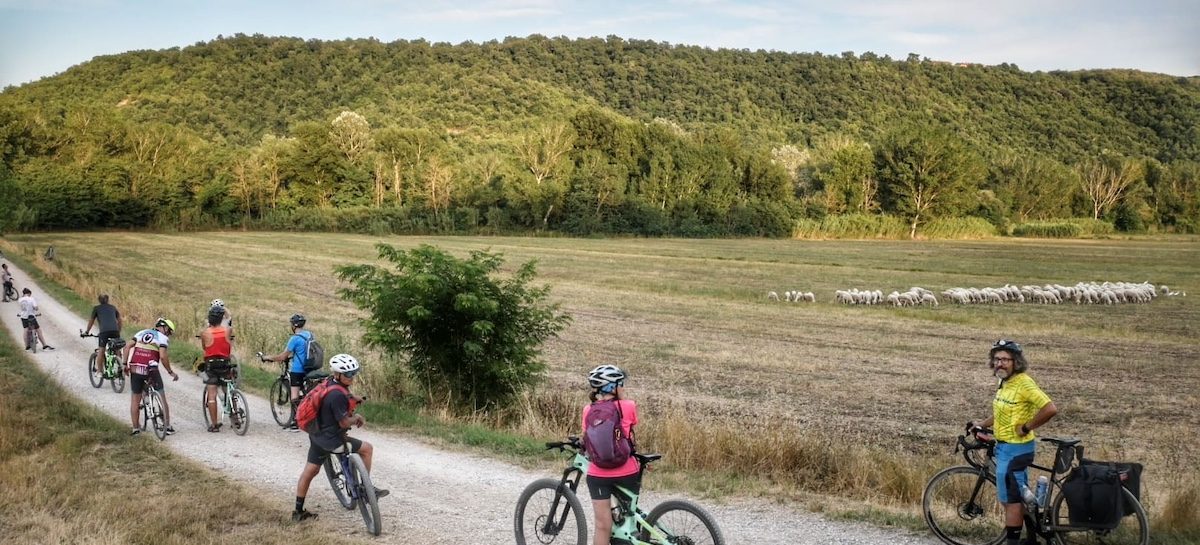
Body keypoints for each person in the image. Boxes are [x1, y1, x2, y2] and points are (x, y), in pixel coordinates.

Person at [969, 340, 1059, 545]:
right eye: (996, 359)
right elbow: (1002, 412)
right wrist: (982, 424)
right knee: (1017, 496)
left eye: (1005, 359)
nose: (999, 363)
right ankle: (1033, 538)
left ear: (1016, 362)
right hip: (1004, 448)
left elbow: (1050, 408)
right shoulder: (1004, 383)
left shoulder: (1024, 383)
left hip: (1016, 450)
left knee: (1011, 501)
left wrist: (1026, 427)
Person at [292, 354, 387, 522]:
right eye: (348, 374)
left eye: (354, 373)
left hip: (317, 436)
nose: (352, 377)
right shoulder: (337, 396)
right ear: (337, 374)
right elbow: (344, 422)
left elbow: (340, 395)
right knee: (367, 449)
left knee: (310, 471)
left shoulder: (328, 383)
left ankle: (298, 512)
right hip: (333, 440)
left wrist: (353, 398)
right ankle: (366, 488)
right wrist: (356, 418)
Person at [582, 364, 639, 545]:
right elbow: (629, 433)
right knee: (629, 519)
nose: (623, 387)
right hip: (628, 471)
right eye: (621, 384)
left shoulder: (588, 410)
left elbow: (587, 439)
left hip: (599, 475)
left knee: (602, 525)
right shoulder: (629, 406)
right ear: (613, 387)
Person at [123, 318, 180, 436]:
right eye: (169, 331)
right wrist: (170, 372)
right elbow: (163, 356)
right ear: (164, 328)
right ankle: (167, 427)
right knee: (162, 397)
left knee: (135, 400)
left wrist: (124, 364)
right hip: (150, 370)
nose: (169, 335)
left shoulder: (141, 332)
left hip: (135, 368)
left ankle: (135, 429)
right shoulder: (162, 338)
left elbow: (127, 346)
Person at [263, 313, 313, 430]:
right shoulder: (309, 335)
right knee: (306, 393)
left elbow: (282, 357)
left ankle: (296, 422)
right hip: (310, 367)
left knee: (294, 397)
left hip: (298, 370)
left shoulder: (294, 339)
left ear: (293, 326)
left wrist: (268, 357)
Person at [199, 305, 235, 432]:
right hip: (225, 363)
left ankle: (214, 425)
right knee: (228, 391)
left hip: (211, 365)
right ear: (221, 319)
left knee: (212, 395)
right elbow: (229, 319)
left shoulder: (205, 333)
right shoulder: (228, 330)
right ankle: (235, 418)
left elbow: (204, 348)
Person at [83, 294, 123, 373]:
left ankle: (99, 371)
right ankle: (120, 366)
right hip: (115, 331)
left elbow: (91, 321)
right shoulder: (113, 307)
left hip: (104, 332)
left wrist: (87, 332)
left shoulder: (96, 308)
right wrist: (118, 331)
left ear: (99, 300)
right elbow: (120, 320)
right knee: (117, 348)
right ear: (108, 300)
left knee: (101, 350)